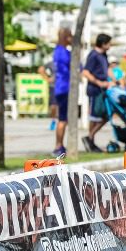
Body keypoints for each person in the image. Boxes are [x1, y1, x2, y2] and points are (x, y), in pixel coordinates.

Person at [81, 33, 113, 152]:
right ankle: (91, 140)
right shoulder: (93, 55)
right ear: (103, 43)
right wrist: (99, 82)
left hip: (103, 90)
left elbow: (108, 70)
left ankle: (90, 138)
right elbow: (85, 72)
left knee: (105, 115)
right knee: (94, 117)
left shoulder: (104, 55)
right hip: (95, 90)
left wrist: (116, 80)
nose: (110, 45)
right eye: (108, 43)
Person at [51, 27, 72, 156]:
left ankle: (60, 144)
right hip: (64, 87)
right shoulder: (64, 52)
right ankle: (58, 145)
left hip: (61, 87)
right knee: (63, 119)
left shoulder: (58, 51)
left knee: (63, 118)